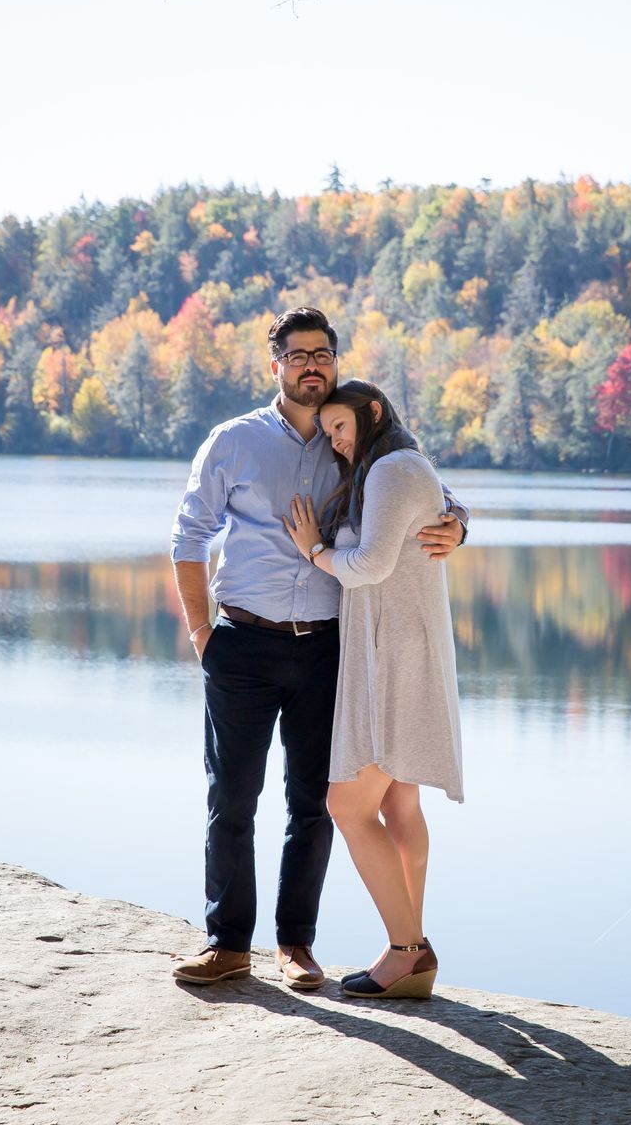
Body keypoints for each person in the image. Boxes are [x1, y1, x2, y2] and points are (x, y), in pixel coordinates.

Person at [167, 307, 469, 991]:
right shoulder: (234, 442)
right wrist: (202, 635)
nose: (312, 364)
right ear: (274, 365)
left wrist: (460, 526)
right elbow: (188, 538)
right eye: (298, 354)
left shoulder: (356, 442)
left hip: (331, 652)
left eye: (323, 354)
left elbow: (436, 495)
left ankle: (296, 946)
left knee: (314, 803)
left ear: (335, 364)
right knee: (232, 798)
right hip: (242, 643)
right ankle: (227, 943)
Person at [281, 379, 462, 1000]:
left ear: (373, 413)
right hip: (405, 646)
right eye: (326, 431)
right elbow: (428, 512)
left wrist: (314, 552)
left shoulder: (389, 469)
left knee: (347, 805)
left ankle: (407, 950)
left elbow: (372, 566)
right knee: (398, 805)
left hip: (395, 655)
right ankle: (413, 943)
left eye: (340, 427)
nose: (334, 441)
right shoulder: (401, 464)